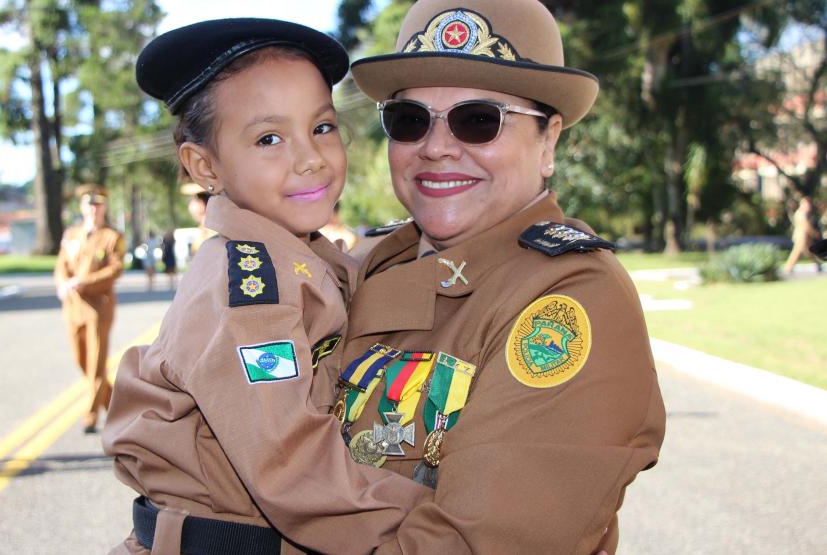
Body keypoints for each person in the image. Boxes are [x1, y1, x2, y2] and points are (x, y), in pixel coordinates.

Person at [310, 0, 666, 553]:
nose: (436, 147)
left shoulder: (568, 299)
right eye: (409, 121)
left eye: (479, 120)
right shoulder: (371, 258)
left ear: (548, 142)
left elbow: (473, 542)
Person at [101, 18, 430, 555]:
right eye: (269, 138)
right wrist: (445, 523)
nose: (310, 158)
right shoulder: (250, 288)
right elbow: (292, 466)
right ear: (205, 165)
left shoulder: (301, 253)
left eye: (322, 127)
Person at [54, 185, 125, 433]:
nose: (93, 210)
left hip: (98, 308)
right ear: (83, 208)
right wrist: (62, 284)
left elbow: (115, 269)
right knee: (82, 362)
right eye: (89, 205)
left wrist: (85, 283)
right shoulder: (72, 235)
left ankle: (91, 415)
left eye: (98, 205)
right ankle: (118, 407)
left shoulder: (112, 237)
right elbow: (61, 265)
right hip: (73, 308)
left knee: (96, 365)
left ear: (104, 208)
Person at [783, 196, 822, 274]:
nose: (809, 206)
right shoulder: (801, 214)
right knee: (797, 252)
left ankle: (818, 264)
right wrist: (814, 233)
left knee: (810, 251)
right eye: (807, 204)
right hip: (801, 237)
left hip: (804, 237)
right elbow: (805, 226)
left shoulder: (803, 213)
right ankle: (788, 267)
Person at [180, 182, 218, 259]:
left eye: (194, 199)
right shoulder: (204, 229)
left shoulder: (213, 231)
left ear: (201, 203)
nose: (190, 205)